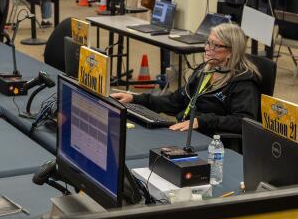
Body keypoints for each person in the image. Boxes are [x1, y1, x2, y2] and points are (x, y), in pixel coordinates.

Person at [112, 22, 262, 136]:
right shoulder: (204, 70)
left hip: (211, 139)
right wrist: (135, 98)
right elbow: (174, 101)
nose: (207, 49)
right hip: (186, 129)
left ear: (231, 51)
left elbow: (243, 121)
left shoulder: (244, 82)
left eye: (215, 46)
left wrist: (201, 121)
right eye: (208, 42)